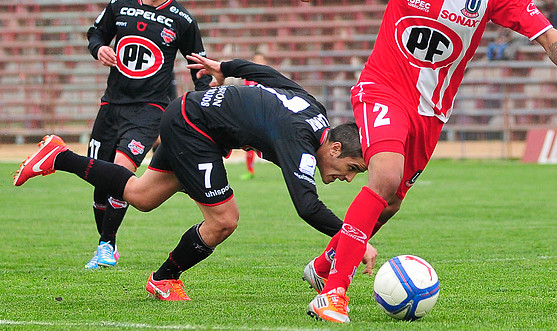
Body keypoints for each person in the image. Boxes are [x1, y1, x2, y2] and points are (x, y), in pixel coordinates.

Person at [290, 0, 557, 323]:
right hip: (384, 87)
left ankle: (323, 266)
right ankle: (334, 292)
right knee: (385, 177)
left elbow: (548, 34)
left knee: (392, 200)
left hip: (431, 113)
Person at [13, 55, 375, 301]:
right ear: (336, 149)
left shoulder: (315, 112)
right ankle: (164, 278)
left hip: (191, 113)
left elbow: (268, 75)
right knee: (223, 220)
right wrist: (353, 238)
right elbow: (307, 207)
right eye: (352, 169)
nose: (348, 178)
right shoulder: (299, 139)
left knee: (142, 196)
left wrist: (225, 66)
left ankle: (59, 156)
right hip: (195, 127)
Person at [83, 0, 212, 270]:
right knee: (100, 181)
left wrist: (204, 98)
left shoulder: (182, 19)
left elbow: (198, 64)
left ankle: (106, 245)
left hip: (150, 110)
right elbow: (95, 33)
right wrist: (99, 49)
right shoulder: (120, 4)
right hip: (111, 105)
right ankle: (106, 241)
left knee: (122, 170)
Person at [241, 51, 267, 180]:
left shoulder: (268, 78)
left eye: (260, 60)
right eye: (255, 60)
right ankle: (250, 170)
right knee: (249, 143)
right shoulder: (248, 79)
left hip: (265, 115)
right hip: (251, 115)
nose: (258, 63)